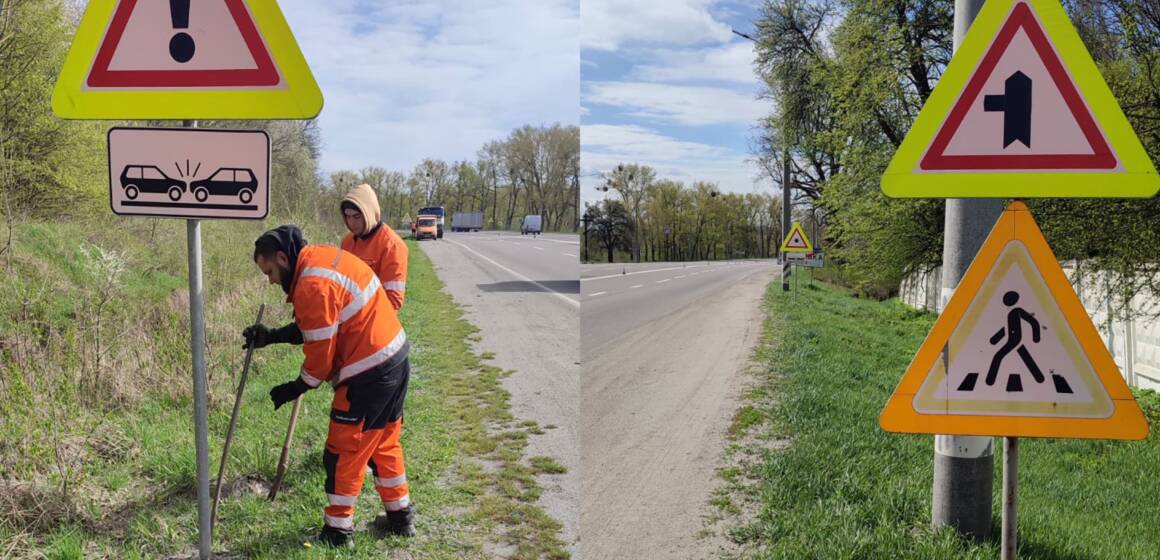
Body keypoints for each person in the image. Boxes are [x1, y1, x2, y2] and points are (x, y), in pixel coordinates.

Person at [242, 225, 415, 546]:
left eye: (270, 271)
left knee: (343, 452)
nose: (271, 280)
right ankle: (400, 517)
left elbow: (321, 359)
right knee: (383, 444)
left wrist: (297, 386)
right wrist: (274, 336)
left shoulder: (311, 285)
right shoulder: (320, 259)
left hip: (369, 374)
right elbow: (322, 323)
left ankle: (337, 531)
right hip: (395, 358)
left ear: (282, 257)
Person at [340, 184, 409, 310]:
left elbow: (393, 301)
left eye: (356, 216)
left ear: (369, 213)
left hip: (374, 322)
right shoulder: (347, 242)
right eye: (347, 216)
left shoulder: (392, 246)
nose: (351, 222)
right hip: (346, 320)